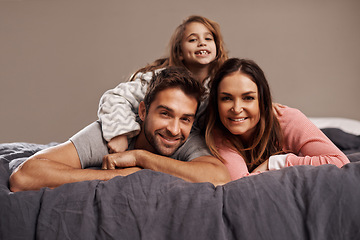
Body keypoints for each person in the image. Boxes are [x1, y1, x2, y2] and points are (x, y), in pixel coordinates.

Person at [9, 67, 231, 192]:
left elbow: (219, 176)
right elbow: (24, 176)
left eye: (185, 119)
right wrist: (119, 175)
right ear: (143, 112)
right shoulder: (113, 135)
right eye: (165, 113)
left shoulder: (186, 139)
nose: (174, 129)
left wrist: (140, 158)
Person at [98, 15, 228, 154]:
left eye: (208, 38)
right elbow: (115, 96)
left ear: (217, 49)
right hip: (139, 145)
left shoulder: (218, 87)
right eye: (192, 39)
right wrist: (120, 133)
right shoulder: (158, 80)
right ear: (179, 52)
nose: (202, 43)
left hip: (180, 151)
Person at [205, 58, 350, 180]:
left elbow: (340, 162)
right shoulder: (217, 130)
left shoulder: (287, 119)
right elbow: (241, 183)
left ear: (263, 101)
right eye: (226, 98)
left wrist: (277, 162)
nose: (236, 109)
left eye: (248, 98)